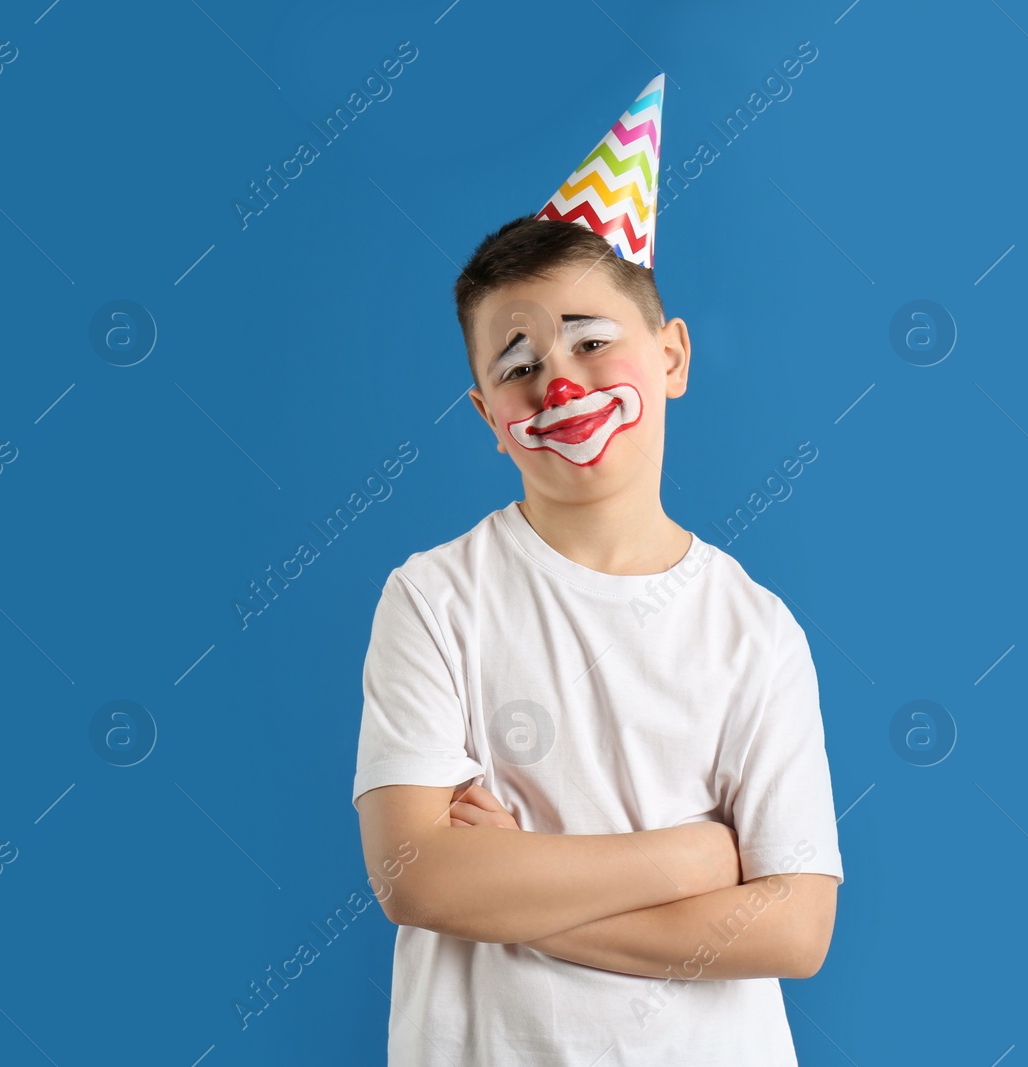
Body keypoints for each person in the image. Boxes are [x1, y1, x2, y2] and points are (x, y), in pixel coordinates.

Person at [352, 73, 844, 1066]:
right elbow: (413, 873)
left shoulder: (753, 629)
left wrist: (510, 897)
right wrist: (694, 855)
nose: (559, 379)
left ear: (670, 357)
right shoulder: (436, 597)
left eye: (588, 338)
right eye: (516, 361)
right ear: (490, 418)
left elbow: (795, 928)